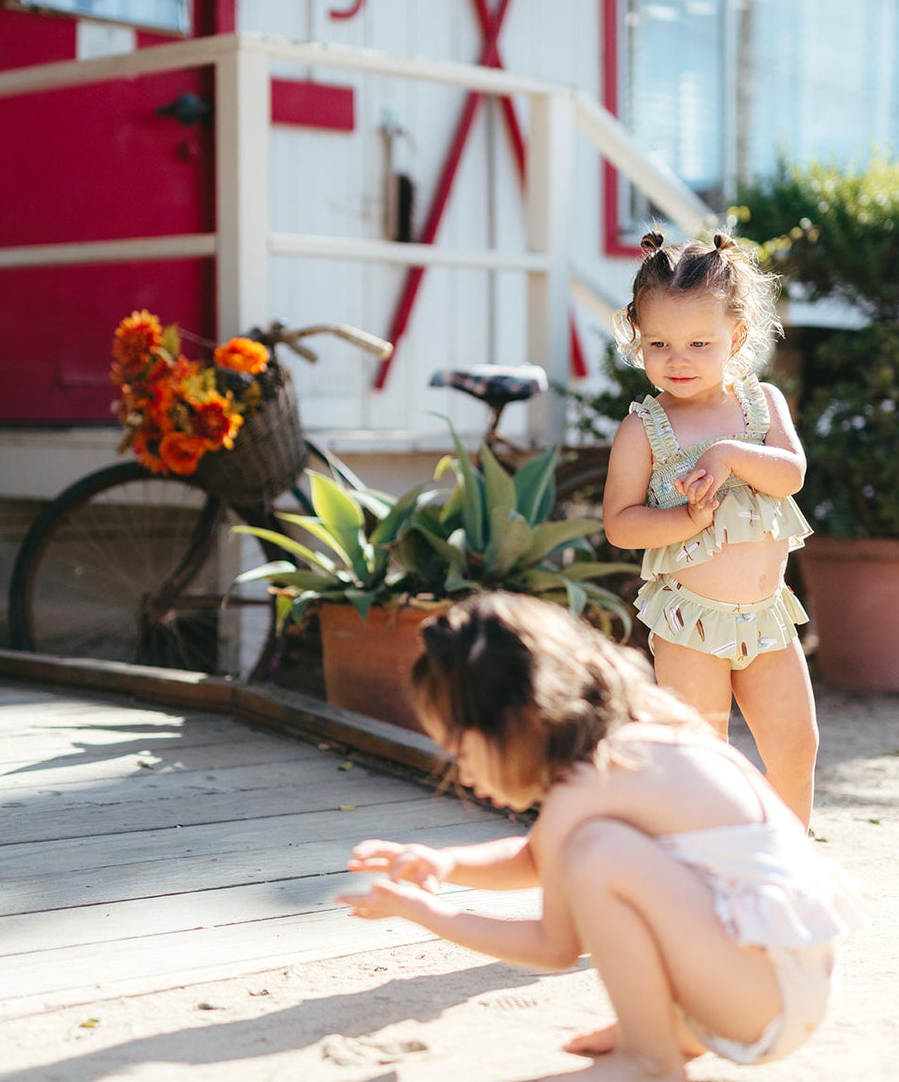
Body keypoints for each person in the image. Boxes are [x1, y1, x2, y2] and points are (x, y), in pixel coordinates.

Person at [336, 593, 865, 1082]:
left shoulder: (591, 786)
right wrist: (445, 864)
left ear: (519, 721)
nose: (462, 774)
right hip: (790, 982)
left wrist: (424, 912)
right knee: (599, 851)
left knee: (599, 855)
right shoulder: (635, 745)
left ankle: (649, 1058)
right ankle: (672, 1034)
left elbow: (553, 946)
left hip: (765, 993)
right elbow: (536, 858)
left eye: (462, 749)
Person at [601, 230, 818, 826]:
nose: (679, 359)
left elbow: (792, 474)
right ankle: (703, 871)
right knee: (703, 759)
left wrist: (727, 454)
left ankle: (788, 868)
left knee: (797, 750)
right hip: (690, 622)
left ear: (737, 339)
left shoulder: (762, 405)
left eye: (700, 342)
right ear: (637, 340)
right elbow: (620, 525)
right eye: (659, 343)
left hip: (769, 620)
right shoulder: (644, 429)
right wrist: (683, 518)